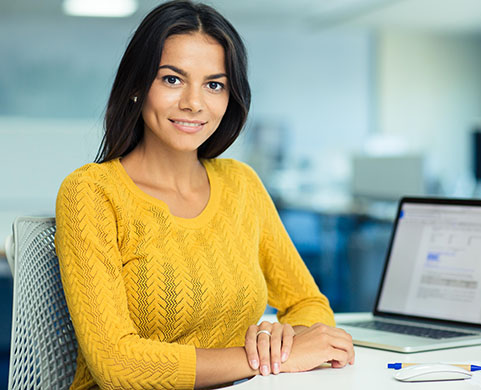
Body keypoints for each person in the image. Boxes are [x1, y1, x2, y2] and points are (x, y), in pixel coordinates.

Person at [54, 1, 355, 389]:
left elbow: (310, 305)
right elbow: (118, 365)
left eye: (214, 84)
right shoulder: (92, 192)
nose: (194, 103)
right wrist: (265, 359)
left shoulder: (241, 184)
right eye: (172, 79)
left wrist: (282, 339)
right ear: (135, 86)